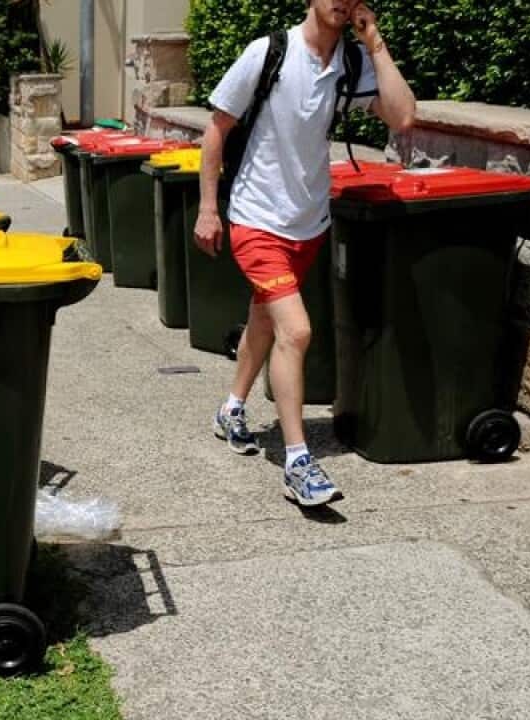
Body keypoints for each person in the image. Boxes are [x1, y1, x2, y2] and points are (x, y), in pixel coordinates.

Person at [194, 0, 415, 506]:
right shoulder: (269, 52)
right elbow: (217, 128)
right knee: (297, 329)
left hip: (309, 222)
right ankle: (298, 462)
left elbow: (402, 117)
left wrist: (373, 40)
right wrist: (209, 208)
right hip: (256, 217)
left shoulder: (352, 63)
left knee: (266, 318)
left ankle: (231, 408)